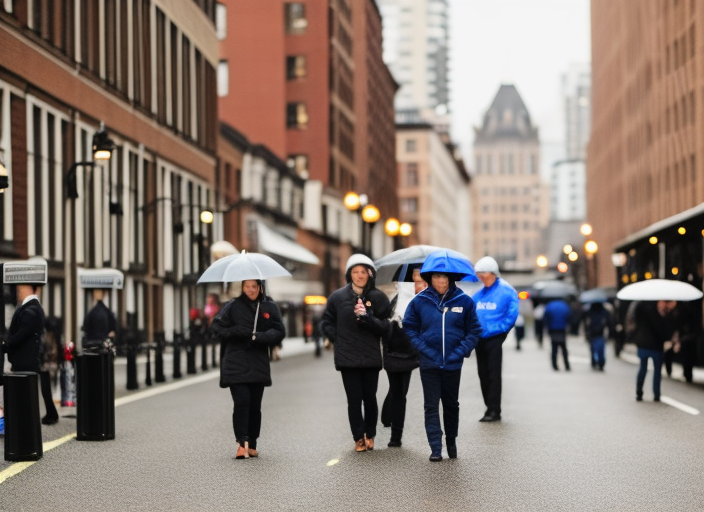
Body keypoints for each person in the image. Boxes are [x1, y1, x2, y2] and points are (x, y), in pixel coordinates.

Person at [403, 259, 481, 462]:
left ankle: (451, 441)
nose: (441, 280)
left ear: (452, 278)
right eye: (437, 276)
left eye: (445, 276)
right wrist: (425, 350)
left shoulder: (464, 301)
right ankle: (435, 448)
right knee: (430, 405)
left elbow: (474, 331)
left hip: (453, 363)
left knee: (451, 404)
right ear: (430, 278)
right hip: (429, 362)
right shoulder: (419, 301)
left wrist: (459, 352)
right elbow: (409, 327)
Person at [321, 254, 391, 453]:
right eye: (355, 272)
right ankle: (358, 437)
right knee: (354, 399)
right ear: (349, 274)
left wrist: (368, 319)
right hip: (347, 357)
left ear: (370, 274)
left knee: (370, 398)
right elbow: (326, 322)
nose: (359, 276)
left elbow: (386, 326)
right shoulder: (337, 297)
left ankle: (370, 434)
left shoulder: (377, 297)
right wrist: (338, 337)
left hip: (370, 356)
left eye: (363, 272)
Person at [210, 280, 285, 459]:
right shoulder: (232, 306)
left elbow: (279, 331)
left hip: (258, 362)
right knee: (242, 402)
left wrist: (259, 337)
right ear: (242, 287)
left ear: (260, 287)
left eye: (254, 286)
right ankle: (241, 442)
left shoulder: (269, 306)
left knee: (254, 406)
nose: (250, 290)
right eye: (247, 286)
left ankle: (252, 443)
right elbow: (217, 327)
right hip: (236, 361)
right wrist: (235, 331)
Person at [380, 267, 425, 448]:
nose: (417, 282)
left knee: (400, 392)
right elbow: (383, 323)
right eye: (415, 278)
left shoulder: (423, 300)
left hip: (410, 352)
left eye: (421, 279)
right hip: (392, 350)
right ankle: (394, 433)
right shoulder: (395, 301)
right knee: (397, 390)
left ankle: (395, 433)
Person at [3, 283, 59, 425]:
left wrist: (5, 345)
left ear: (31, 289)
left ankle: (26, 425)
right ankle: (47, 416)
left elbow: (22, 334)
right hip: (31, 359)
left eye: (21, 288)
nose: (18, 291)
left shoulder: (31, 309)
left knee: (26, 394)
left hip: (27, 360)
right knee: (35, 391)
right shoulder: (32, 307)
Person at [471, 256, 519, 422]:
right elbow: (471, 314)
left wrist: (500, 330)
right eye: (478, 274)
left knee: (493, 373)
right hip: (479, 338)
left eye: (482, 273)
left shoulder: (506, 291)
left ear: (491, 273)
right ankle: (488, 407)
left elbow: (512, 315)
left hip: (495, 337)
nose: (480, 276)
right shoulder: (478, 294)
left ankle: (494, 410)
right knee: (482, 373)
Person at [629, 300, 676, 401]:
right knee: (657, 370)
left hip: (643, 344)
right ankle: (656, 394)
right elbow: (663, 329)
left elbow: (635, 321)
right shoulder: (658, 312)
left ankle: (639, 391)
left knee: (643, 368)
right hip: (656, 346)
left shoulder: (640, 306)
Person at [543, 297, 573, 371]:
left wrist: (547, 327)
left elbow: (546, 318)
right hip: (562, 330)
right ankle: (567, 365)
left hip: (553, 330)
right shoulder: (565, 306)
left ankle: (554, 365)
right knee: (564, 348)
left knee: (554, 349)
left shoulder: (549, 306)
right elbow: (569, 317)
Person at [583, 302, 612, 371]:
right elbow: (609, 323)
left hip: (592, 333)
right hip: (600, 333)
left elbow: (586, 322)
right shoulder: (604, 311)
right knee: (600, 349)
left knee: (593, 349)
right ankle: (600, 363)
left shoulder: (589, 311)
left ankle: (595, 362)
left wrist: (587, 333)